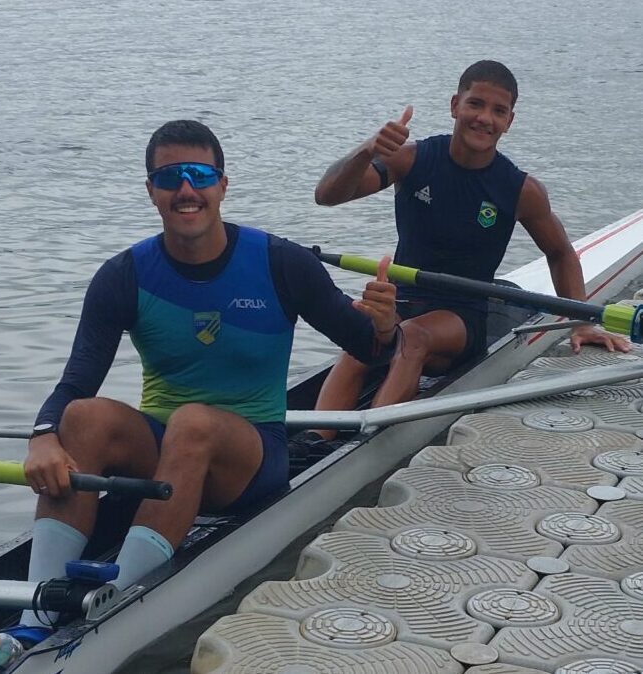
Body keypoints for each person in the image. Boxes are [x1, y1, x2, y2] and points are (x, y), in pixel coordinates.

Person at [20, 119, 397, 627]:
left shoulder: (281, 263)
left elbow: (370, 349)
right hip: (162, 454)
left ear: (222, 185)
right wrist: (44, 435)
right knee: (83, 417)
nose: (186, 189)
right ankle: (37, 613)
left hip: (252, 459)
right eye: (169, 177)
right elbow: (75, 382)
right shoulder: (123, 275)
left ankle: (115, 604)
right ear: (151, 190)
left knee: (193, 422)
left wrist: (385, 325)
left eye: (199, 175)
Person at [302, 59, 630, 446]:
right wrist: (366, 151)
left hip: (463, 317)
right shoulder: (411, 159)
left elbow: (560, 253)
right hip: (403, 301)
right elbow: (327, 196)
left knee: (411, 337)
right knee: (360, 332)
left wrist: (581, 322)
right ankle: (311, 442)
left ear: (509, 121)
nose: (484, 118)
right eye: (475, 104)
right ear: (455, 105)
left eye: (498, 111)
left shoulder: (520, 190)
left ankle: (363, 447)